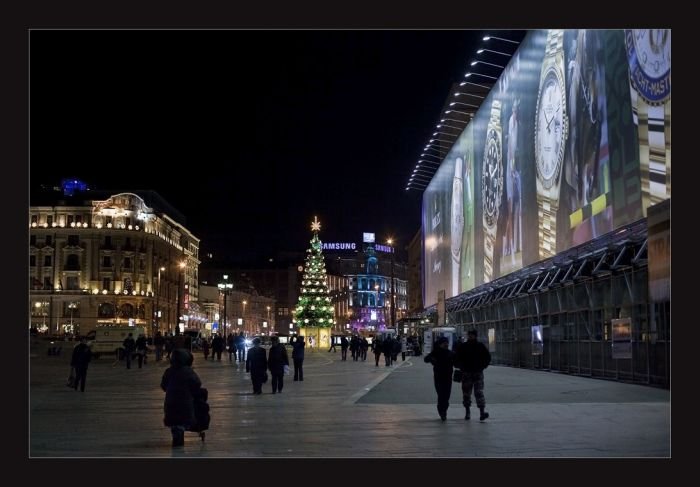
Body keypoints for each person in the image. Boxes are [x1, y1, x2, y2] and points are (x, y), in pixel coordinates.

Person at [160, 348, 205, 447]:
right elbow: (197, 384)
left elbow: (163, 385)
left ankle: (177, 436)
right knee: (183, 419)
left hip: (171, 401)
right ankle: (180, 434)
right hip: (185, 401)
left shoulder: (169, 371)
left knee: (174, 421)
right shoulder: (188, 372)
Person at [455, 329, 491, 421]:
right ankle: (470, 412)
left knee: (477, 392)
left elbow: (487, 357)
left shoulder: (467, 346)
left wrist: (483, 366)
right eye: (469, 335)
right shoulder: (476, 346)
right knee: (468, 393)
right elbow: (457, 358)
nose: (470, 336)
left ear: (475, 336)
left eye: (472, 335)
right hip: (471, 372)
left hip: (474, 372)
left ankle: (479, 412)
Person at [424, 336, 456, 421]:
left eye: (447, 343)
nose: (446, 344)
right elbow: (426, 359)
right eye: (444, 343)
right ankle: (442, 411)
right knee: (441, 394)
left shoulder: (450, 353)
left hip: (448, 377)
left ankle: (444, 410)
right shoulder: (436, 352)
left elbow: (457, 362)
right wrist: (432, 359)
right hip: (438, 377)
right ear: (440, 344)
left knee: (446, 396)